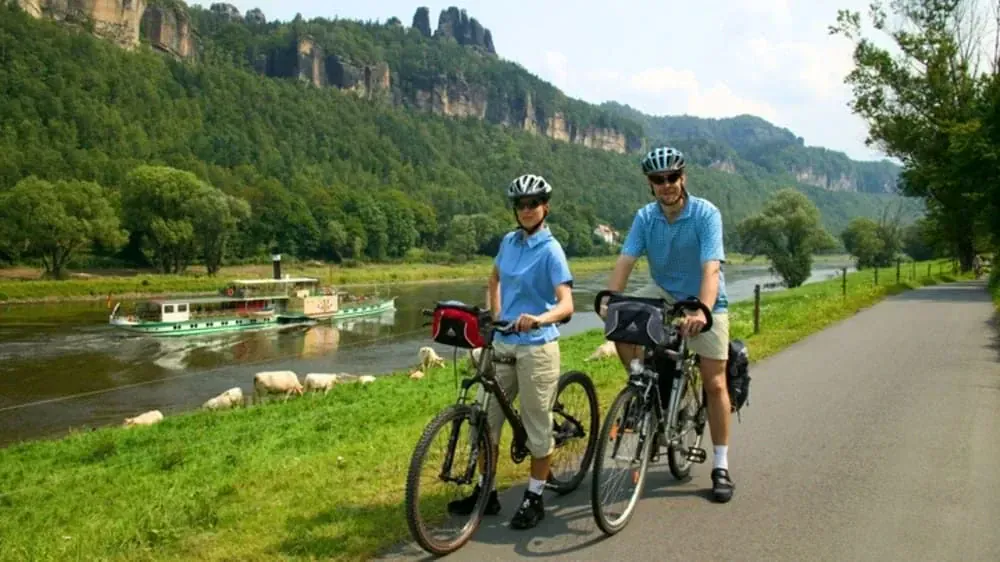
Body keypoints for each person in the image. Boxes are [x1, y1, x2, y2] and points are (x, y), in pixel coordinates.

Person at [598, 146, 735, 503]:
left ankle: (720, 464)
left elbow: (711, 268)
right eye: (658, 180)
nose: (666, 185)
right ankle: (641, 386)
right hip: (662, 291)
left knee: (715, 382)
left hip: (705, 298)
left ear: (683, 177)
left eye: (671, 177)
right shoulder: (645, 217)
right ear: (650, 184)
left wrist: (703, 311)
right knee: (619, 322)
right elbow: (626, 259)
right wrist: (611, 298)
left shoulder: (706, 214)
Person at [447, 173, 575, 530]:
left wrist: (538, 318)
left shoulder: (551, 250)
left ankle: (534, 497)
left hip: (537, 347)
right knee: (486, 422)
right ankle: (486, 493)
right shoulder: (509, 242)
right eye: (521, 204)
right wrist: (496, 314)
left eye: (534, 203)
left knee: (536, 424)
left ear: (545, 207)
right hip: (504, 342)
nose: (527, 209)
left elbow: (566, 305)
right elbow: (494, 278)